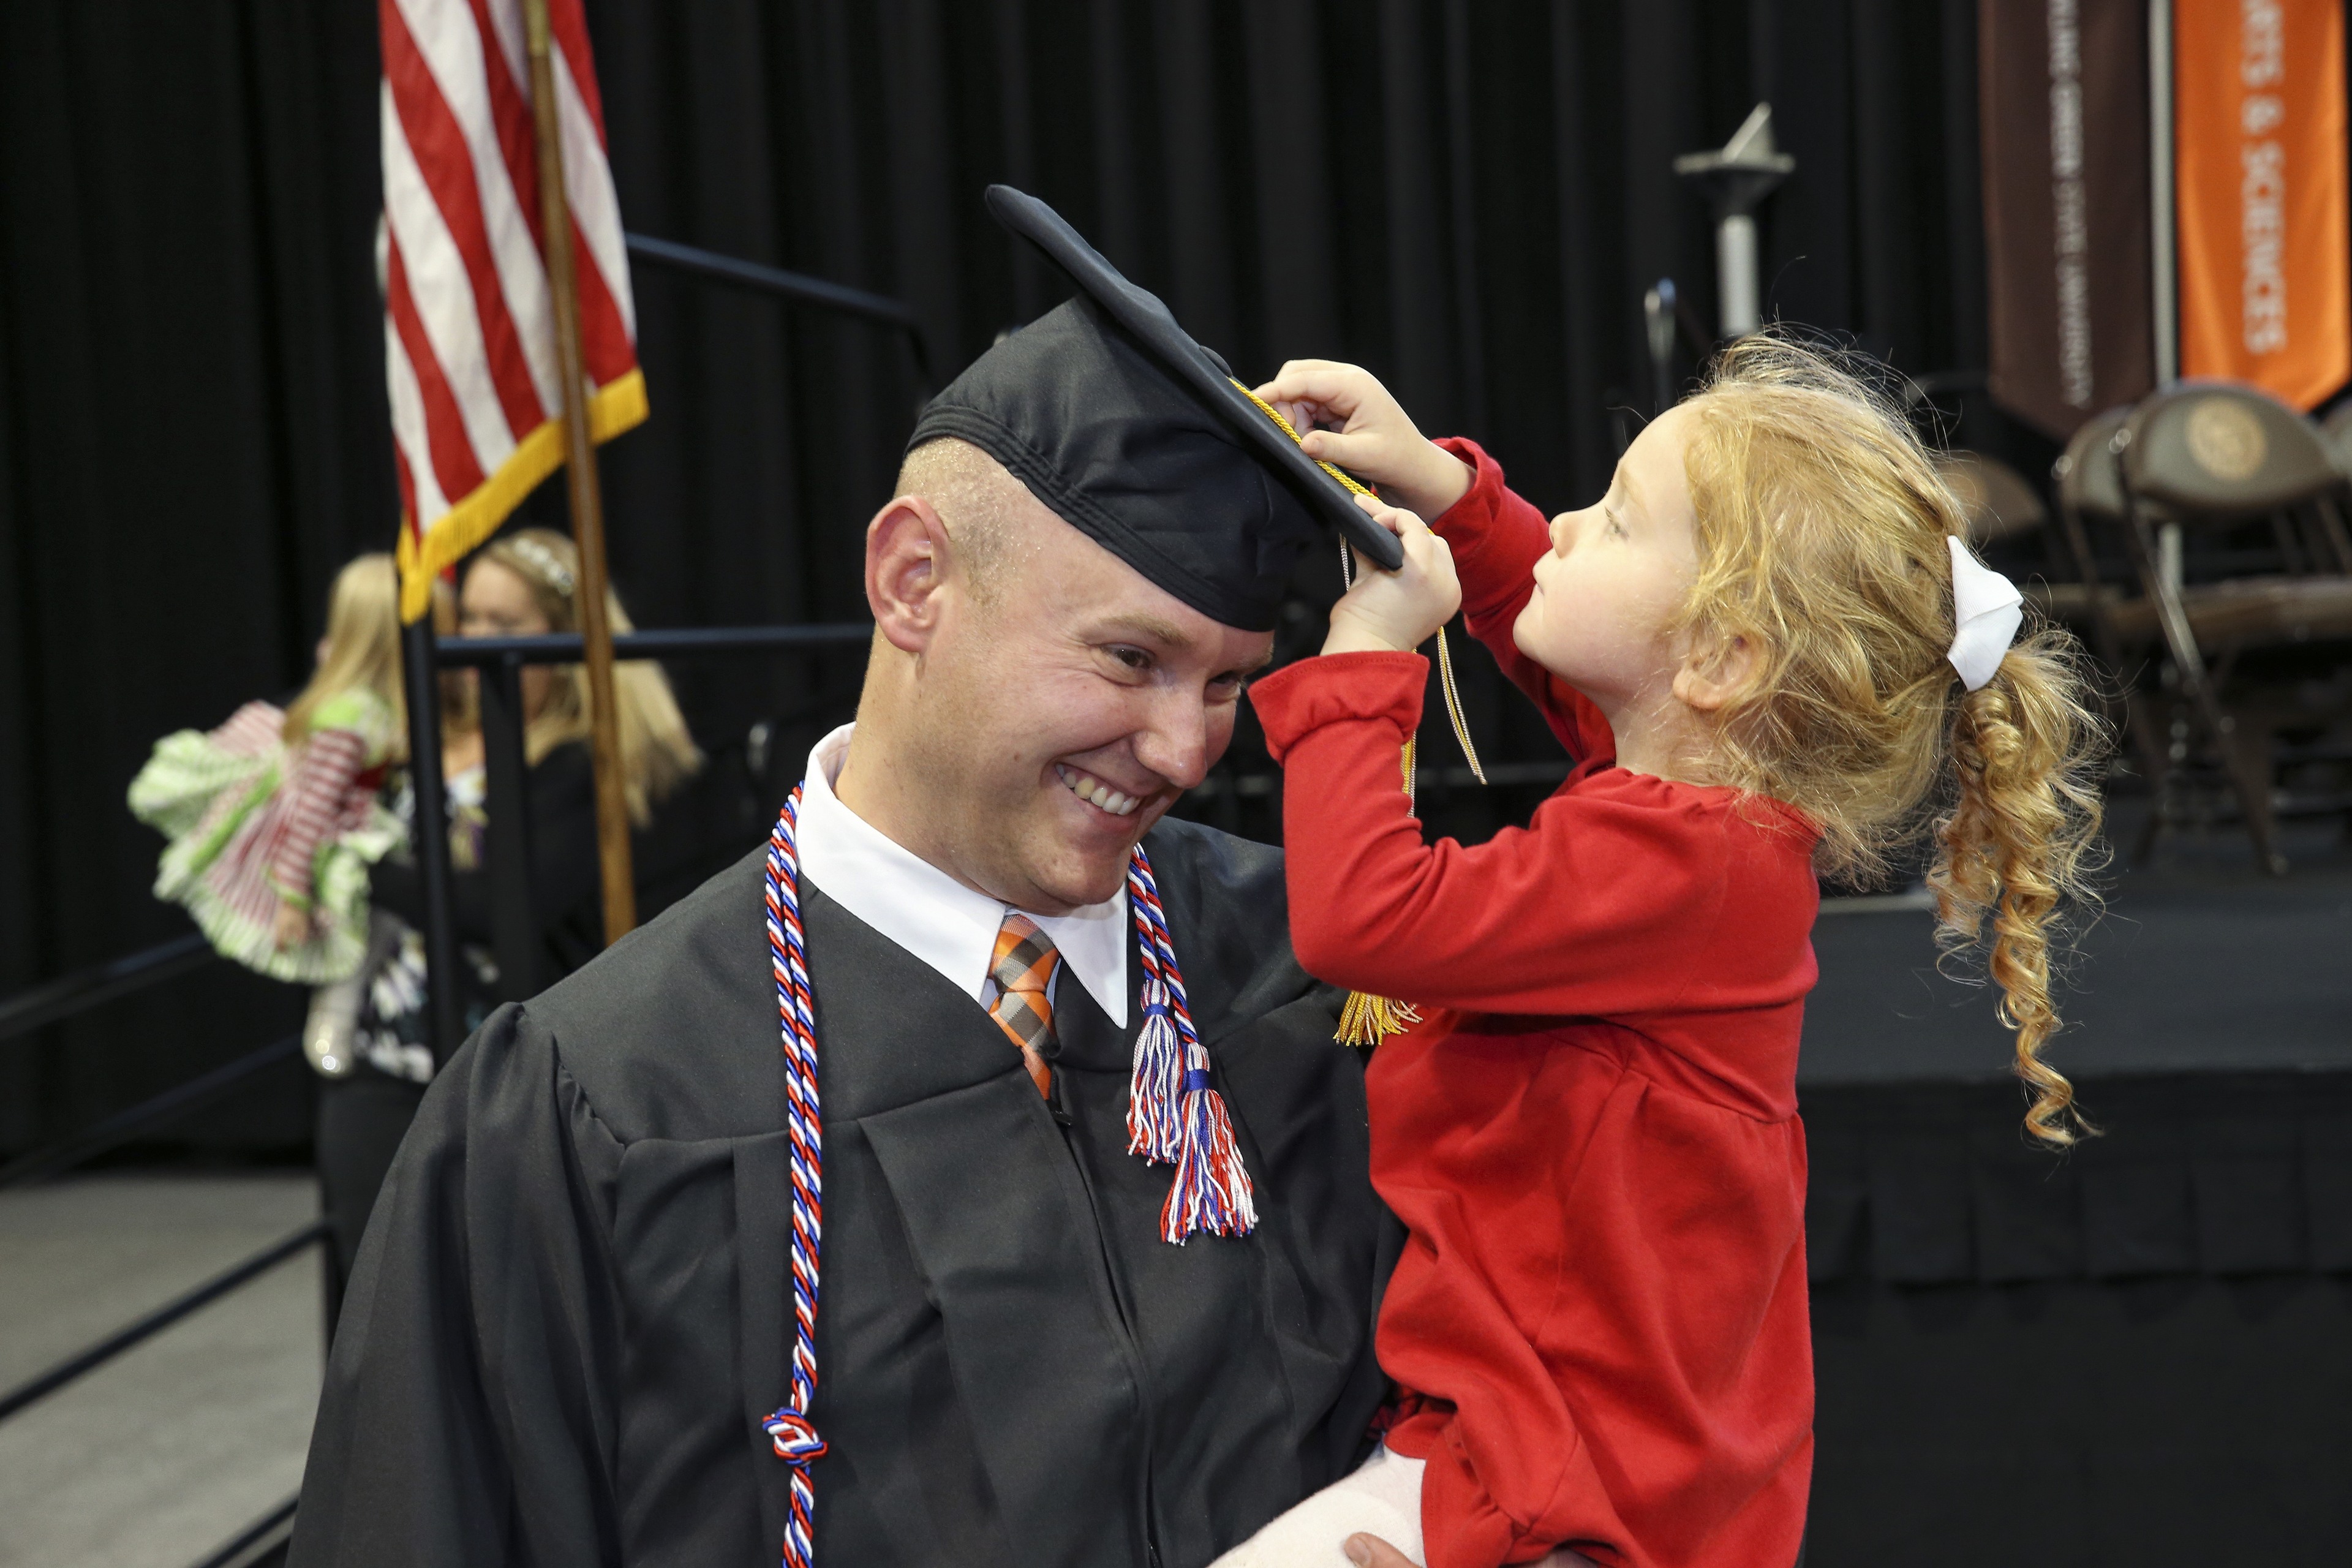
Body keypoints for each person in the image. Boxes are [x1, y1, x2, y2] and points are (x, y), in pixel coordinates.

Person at [287, 189, 1403, 1568]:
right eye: (1131, 659)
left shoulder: (1308, 968)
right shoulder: (599, 1102)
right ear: (913, 579)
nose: (1187, 744)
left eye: (1230, 680)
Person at [1219, 339, 2106, 1568]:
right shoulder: (1706, 813)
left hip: (1556, 1481)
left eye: (1616, 517)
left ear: (1722, 659)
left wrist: (1368, 657)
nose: (1568, 525)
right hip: (1563, 1441)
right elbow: (1563, 630)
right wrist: (1438, 482)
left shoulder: (1686, 863)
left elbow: (1363, 918)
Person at [314, 527, 703, 1289]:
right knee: (370, 1299)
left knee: (483, 1306)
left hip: (500, 1077)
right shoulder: (424, 732)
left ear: (561, 635)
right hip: (379, 1062)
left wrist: (357, 868)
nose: (480, 643)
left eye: (507, 624)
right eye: (474, 621)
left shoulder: (582, 758)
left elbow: (504, 908)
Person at [129, 553, 407, 985]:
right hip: (332, 837)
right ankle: (340, 1002)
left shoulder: (353, 692)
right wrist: (292, 896)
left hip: (341, 822)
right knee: (353, 924)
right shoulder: (355, 718)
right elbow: (314, 810)